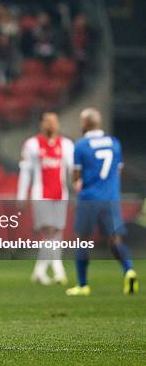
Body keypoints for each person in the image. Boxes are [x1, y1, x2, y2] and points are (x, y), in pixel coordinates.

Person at [66, 108, 138, 296]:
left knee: (82, 241)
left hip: (89, 199)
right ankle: (129, 270)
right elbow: (118, 171)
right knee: (115, 239)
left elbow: (76, 178)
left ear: (85, 123)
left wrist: (79, 183)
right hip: (111, 198)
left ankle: (83, 285)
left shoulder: (81, 146)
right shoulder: (114, 143)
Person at [17, 112, 73, 285]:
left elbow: (72, 169)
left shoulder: (66, 144)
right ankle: (58, 270)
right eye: (47, 121)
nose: (51, 125)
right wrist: (21, 195)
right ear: (41, 124)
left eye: (54, 121)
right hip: (41, 193)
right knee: (50, 231)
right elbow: (26, 171)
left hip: (60, 193)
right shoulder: (32, 144)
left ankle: (39, 271)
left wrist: (80, 185)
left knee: (56, 232)